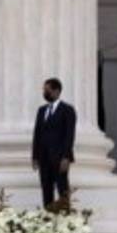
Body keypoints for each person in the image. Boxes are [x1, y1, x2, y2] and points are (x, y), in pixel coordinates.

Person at [31, 76, 77, 207]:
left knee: (62, 189)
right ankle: (48, 217)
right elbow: (37, 134)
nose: (44, 93)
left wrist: (66, 157)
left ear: (57, 91)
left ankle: (65, 218)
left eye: (47, 90)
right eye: (44, 90)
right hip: (44, 158)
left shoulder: (67, 110)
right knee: (46, 189)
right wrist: (35, 157)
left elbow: (69, 135)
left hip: (60, 158)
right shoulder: (41, 110)